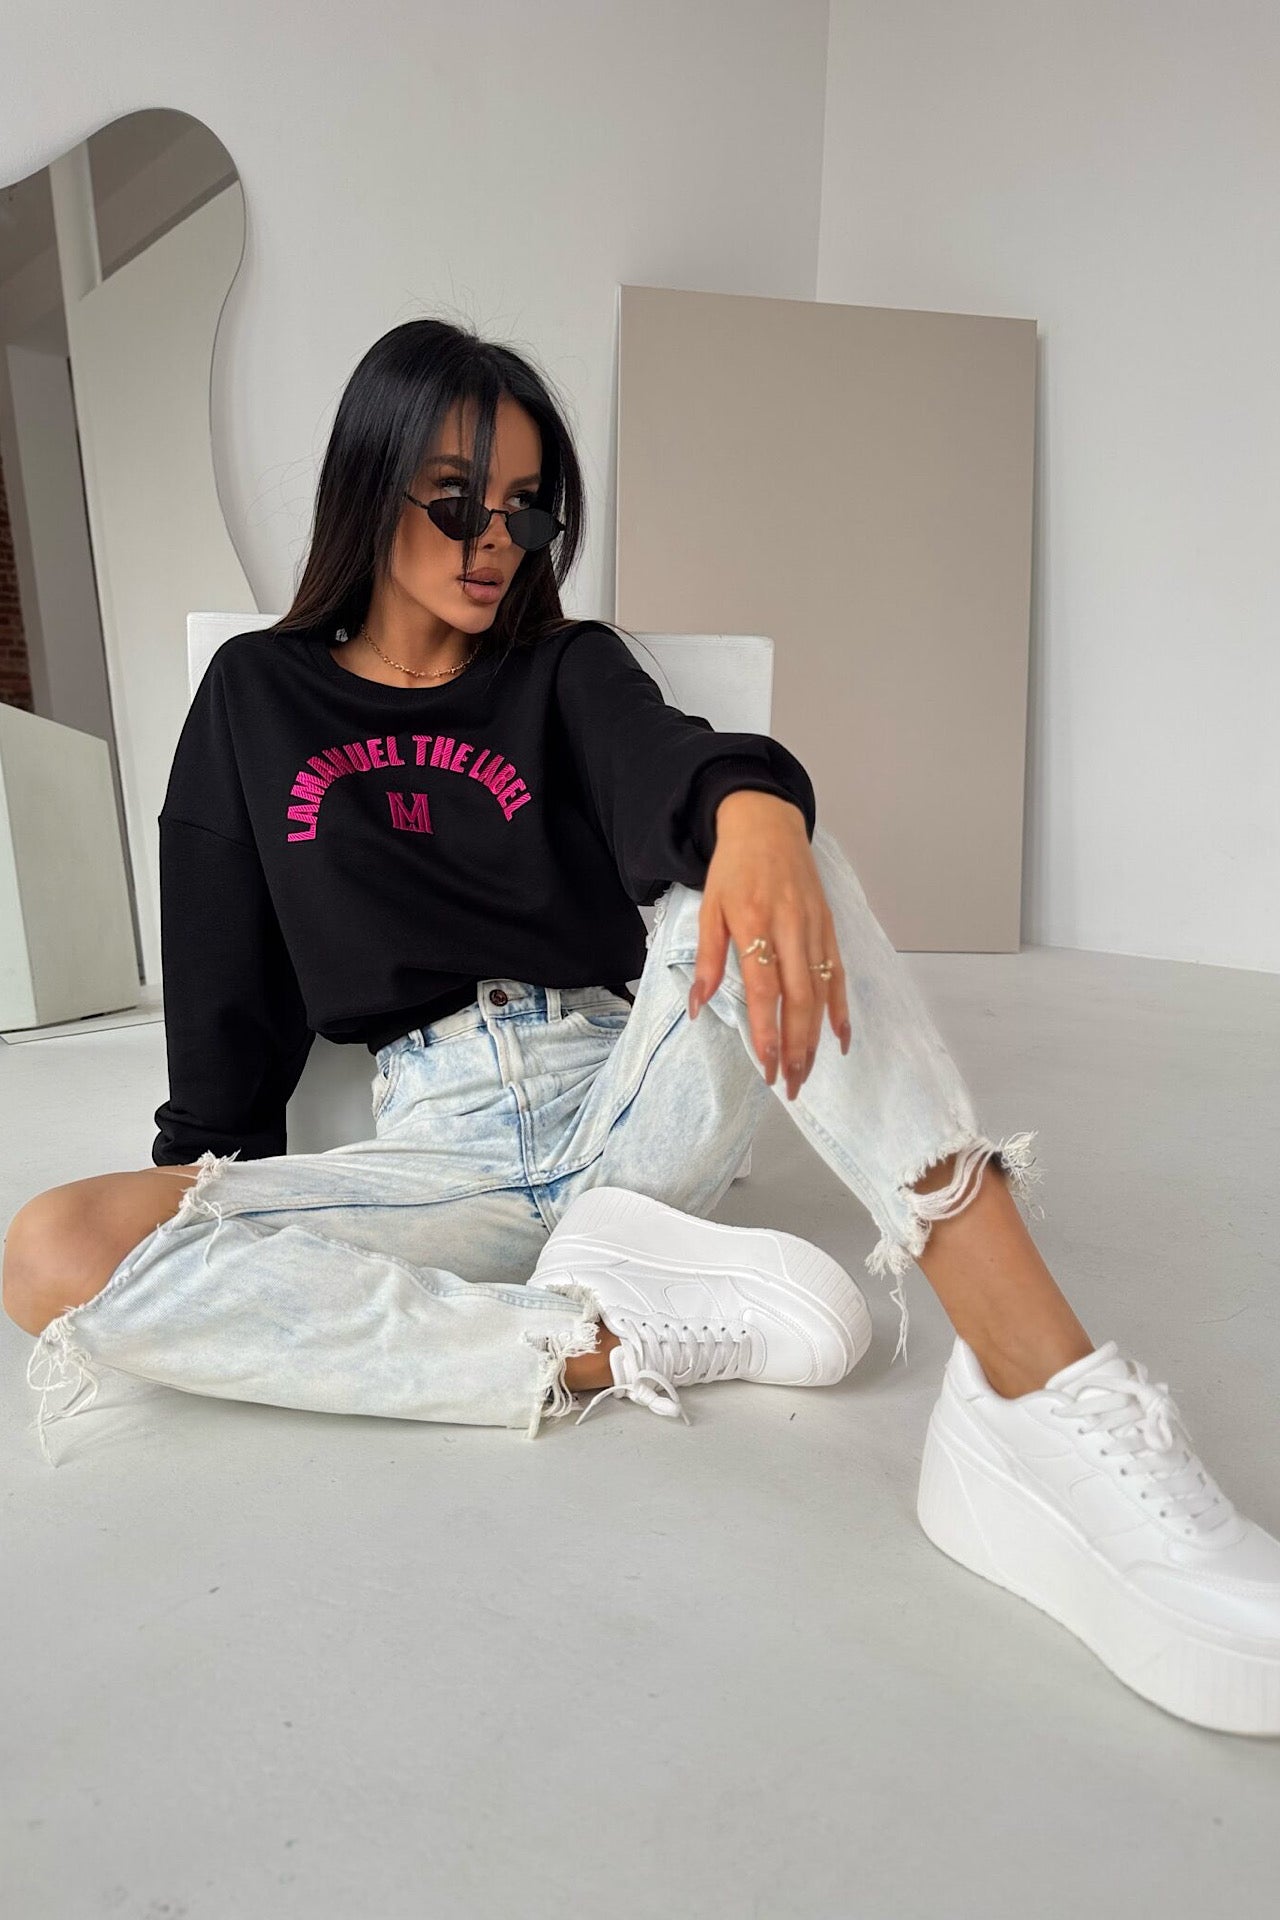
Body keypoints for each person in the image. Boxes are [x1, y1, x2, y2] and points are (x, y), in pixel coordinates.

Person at [4, 319, 1276, 1738]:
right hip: (442, 1163)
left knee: (770, 852)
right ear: (368, 483)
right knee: (50, 1249)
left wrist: (755, 811)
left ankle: (1042, 1396)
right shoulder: (257, 694)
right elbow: (224, 972)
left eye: (528, 507)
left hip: (632, 1092)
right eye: (457, 499)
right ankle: (599, 1336)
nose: (497, 541)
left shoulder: (561, 668)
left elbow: (669, 763)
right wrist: (218, 1194)